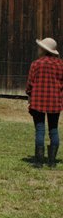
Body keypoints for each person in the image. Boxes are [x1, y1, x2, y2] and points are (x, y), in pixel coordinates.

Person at [26, 37, 63, 168]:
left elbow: (30, 84)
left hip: (38, 101)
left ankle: (39, 161)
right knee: (54, 129)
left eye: (40, 47)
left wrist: (29, 94)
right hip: (55, 101)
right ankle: (52, 162)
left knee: (40, 130)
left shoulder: (36, 64)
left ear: (43, 49)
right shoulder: (61, 64)